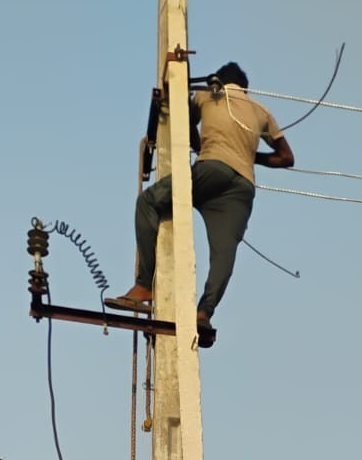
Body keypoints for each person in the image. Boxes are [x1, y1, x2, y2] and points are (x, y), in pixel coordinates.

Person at [106, 61, 295, 347]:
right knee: (224, 254)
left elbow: (182, 119)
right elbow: (286, 158)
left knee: (148, 202)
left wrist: (202, 143)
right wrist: (248, 154)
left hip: (212, 169)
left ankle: (144, 286)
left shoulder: (209, 94)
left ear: (219, 81)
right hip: (242, 187)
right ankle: (204, 312)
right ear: (244, 86)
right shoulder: (261, 110)